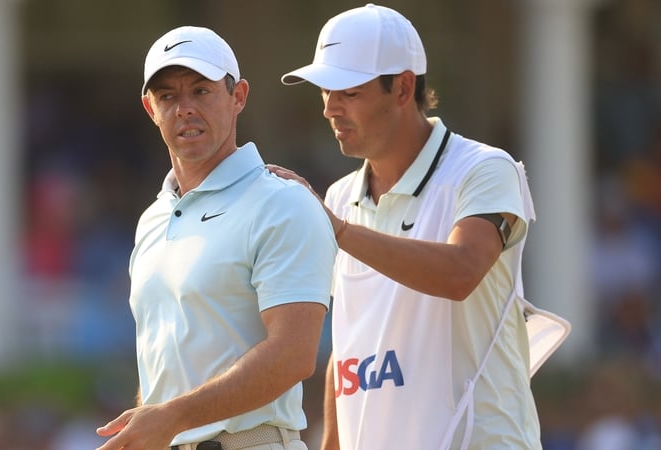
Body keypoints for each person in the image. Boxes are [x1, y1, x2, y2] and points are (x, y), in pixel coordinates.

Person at [269, 4, 542, 449]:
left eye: (349, 92)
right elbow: (350, 344)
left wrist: (338, 231)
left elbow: (460, 273)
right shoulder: (339, 199)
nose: (330, 109)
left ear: (402, 88)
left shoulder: (487, 169)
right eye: (325, 91)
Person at [95, 26, 338, 450]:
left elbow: (294, 355)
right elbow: (167, 372)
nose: (184, 108)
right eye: (168, 96)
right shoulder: (152, 218)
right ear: (149, 108)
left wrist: (170, 417)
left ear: (238, 96)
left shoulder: (282, 203)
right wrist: (150, 424)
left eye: (201, 91)